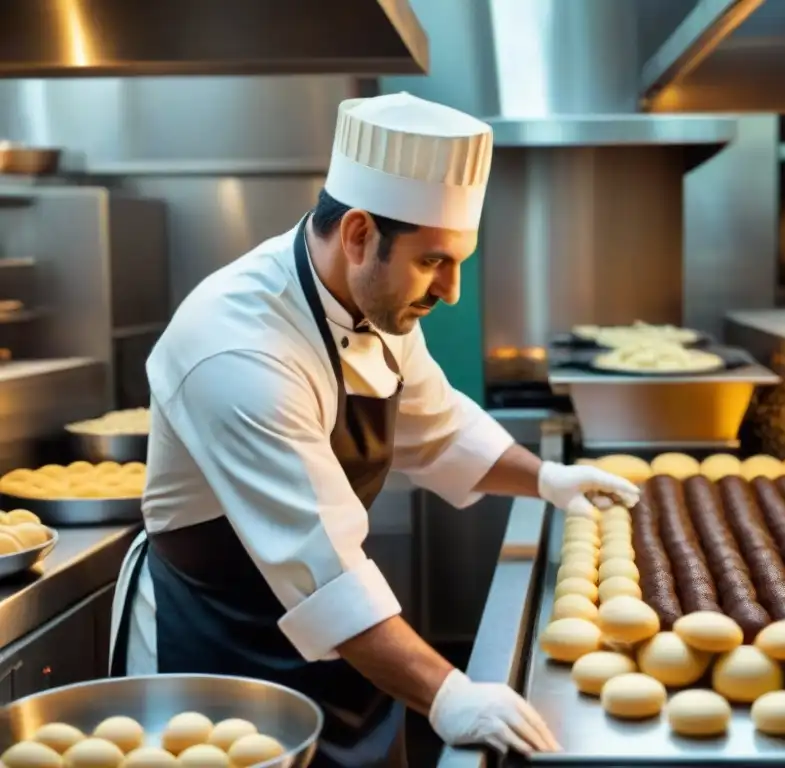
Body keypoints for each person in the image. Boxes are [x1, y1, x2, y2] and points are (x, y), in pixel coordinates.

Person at [108, 92, 639, 767]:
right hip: (222, 647)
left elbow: (439, 429)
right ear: (359, 235)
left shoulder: (378, 301)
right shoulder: (238, 351)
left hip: (340, 633)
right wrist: (449, 694)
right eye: (433, 262)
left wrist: (549, 480)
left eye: (459, 262)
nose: (450, 289)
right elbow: (321, 569)